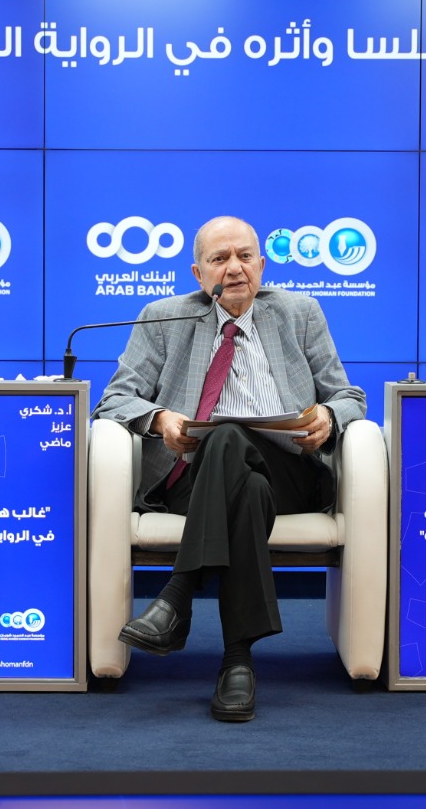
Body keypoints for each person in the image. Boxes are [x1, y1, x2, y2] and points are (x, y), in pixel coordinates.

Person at [93, 216, 366, 722]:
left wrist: (330, 416)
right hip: (195, 480)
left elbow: (349, 395)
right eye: (219, 259)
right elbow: (114, 400)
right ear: (199, 274)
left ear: (262, 265)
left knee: (230, 441)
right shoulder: (163, 318)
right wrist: (160, 418)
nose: (234, 268)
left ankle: (177, 597)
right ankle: (237, 660)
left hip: (291, 474)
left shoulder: (300, 313)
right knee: (238, 470)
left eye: (244, 257)